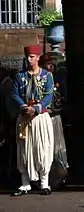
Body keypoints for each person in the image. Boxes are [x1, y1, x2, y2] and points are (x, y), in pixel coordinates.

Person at [11, 45, 55, 196]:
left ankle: (44, 183)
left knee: (42, 149)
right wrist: (23, 106)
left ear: (37, 57)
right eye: (27, 57)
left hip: (40, 117)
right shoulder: (19, 76)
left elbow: (48, 95)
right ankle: (25, 183)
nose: (29, 59)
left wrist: (36, 109)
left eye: (31, 56)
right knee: (24, 149)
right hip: (24, 117)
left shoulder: (47, 76)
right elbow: (15, 94)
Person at [39, 54, 69, 187]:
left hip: (55, 116)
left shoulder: (57, 80)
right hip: (42, 116)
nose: (50, 67)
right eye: (47, 64)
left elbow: (63, 97)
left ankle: (61, 175)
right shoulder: (39, 79)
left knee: (58, 147)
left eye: (52, 64)